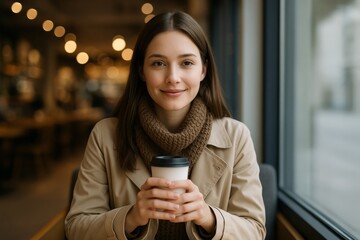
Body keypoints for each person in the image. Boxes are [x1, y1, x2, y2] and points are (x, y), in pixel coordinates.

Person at [65, 11, 266, 240]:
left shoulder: (237, 136)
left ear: (203, 70)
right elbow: (76, 228)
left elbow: (255, 231)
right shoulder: (105, 135)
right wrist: (130, 218)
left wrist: (208, 217)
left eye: (187, 63)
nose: (173, 77)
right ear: (142, 70)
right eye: (158, 63)